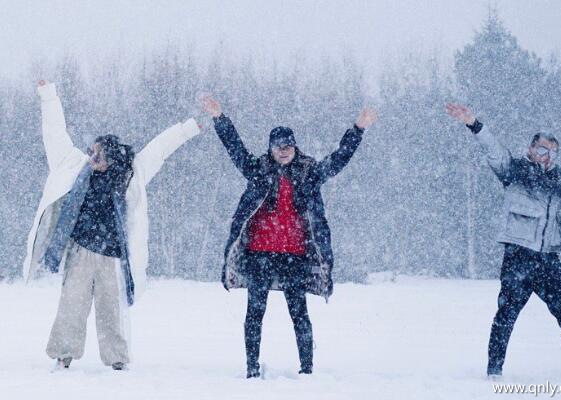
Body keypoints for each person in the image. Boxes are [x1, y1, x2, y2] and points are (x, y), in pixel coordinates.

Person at [24, 80, 202, 370]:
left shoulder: (130, 175)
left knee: (112, 311)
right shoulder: (74, 167)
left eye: (97, 153)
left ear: (110, 155)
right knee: (71, 305)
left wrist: (187, 129)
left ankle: (117, 360)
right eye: (90, 151)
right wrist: (48, 96)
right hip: (80, 252)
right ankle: (63, 355)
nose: (90, 156)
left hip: (113, 257)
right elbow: (55, 134)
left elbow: (159, 149)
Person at [201, 96, 377, 378]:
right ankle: (251, 368)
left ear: (295, 146)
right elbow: (235, 148)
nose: (283, 151)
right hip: (259, 254)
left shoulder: (309, 173)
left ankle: (307, 368)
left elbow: (338, 158)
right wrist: (220, 118)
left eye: (288, 146)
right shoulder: (259, 170)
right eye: (278, 147)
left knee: (299, 314)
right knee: (255, 313)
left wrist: (357, 129)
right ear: (270, 149)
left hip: (294, 255)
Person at [446, 101, 561, 382]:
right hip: (519, 258)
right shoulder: (515, 172)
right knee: (507, 314)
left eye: (553, 152)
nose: (547, 156)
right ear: (530, 150)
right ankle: (494, 372)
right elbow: (494, 151)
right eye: (541, 150)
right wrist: (473, 123)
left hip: (549, 260)